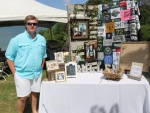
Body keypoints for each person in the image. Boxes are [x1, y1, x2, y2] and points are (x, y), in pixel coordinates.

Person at [5, 15, 47, 113]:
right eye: (29, 24)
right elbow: (9, 58)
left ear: (37, 25)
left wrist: (41, 67)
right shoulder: (16, 40)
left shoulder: (42, 39)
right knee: (22, 98)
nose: (32, 25)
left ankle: (34, 111)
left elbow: (44, 55)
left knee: (34, 93)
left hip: (36, 73)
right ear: (25, 25)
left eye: (34, 24)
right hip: (22, 74)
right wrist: (15, 74)